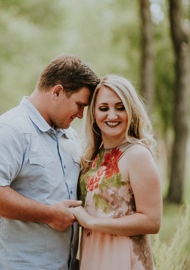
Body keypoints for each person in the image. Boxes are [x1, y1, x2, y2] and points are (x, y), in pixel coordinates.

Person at [0, 54, 100, 269]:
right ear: (57, 92)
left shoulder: (70, 138)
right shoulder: (10, 130)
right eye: (79, 105)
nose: (81, 115)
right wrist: (49, 215)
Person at [69, 75, 161, 270]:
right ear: (93, 113)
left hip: (122, 259)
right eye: (104, 108)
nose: (112, 115)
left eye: (120, 108)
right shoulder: (93, 156)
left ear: (131, 111)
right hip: (93, 256)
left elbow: (152, 221)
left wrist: (92, 222)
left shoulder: (137, 154)